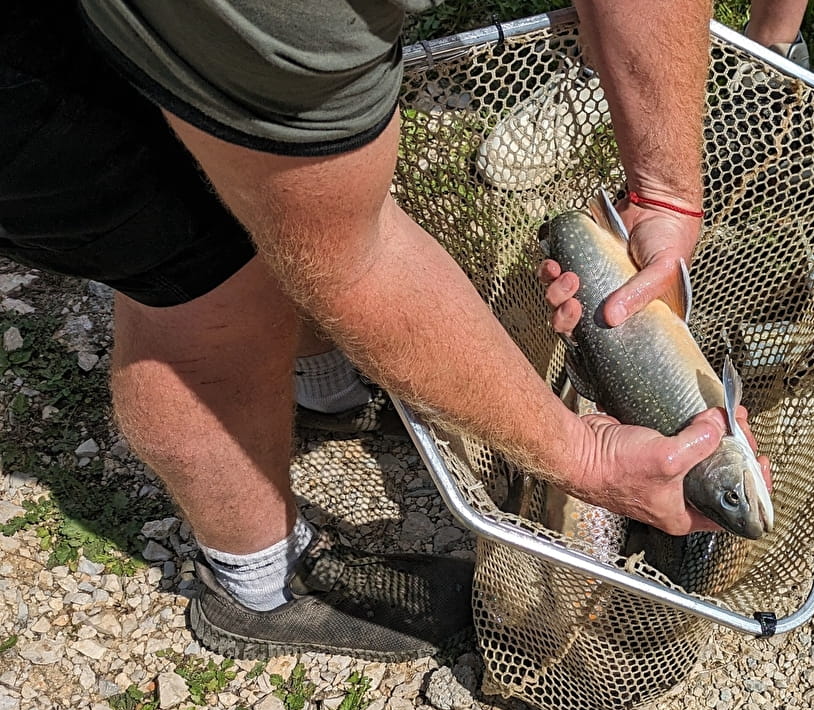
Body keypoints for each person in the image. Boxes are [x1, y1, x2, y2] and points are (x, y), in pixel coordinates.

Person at [0, 0, 753, 663]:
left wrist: (667, 193)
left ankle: (325, 393)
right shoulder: (295, 22)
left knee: (274, 209)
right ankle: (257, 587)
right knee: (208, 276)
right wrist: (584, 457)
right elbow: (345, 262)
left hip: (204, 35)